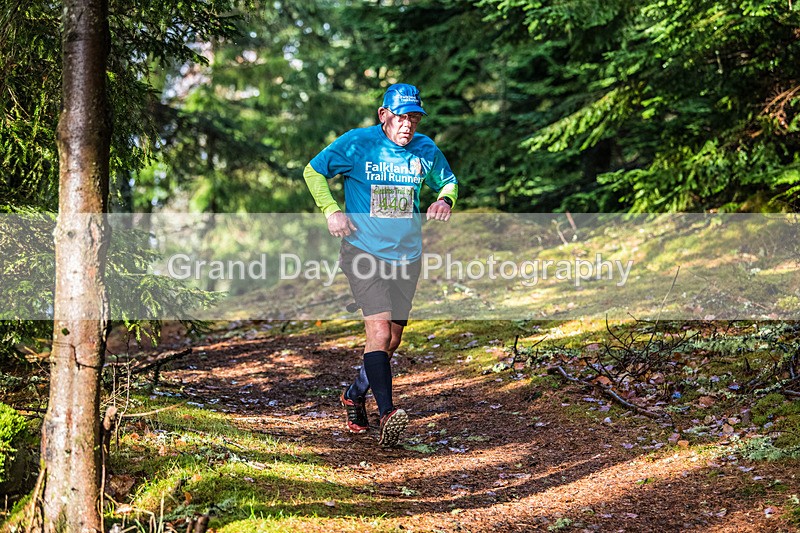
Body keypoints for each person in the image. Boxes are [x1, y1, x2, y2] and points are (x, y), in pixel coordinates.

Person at [303, 83, 458, 447]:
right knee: (379, 333)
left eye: (414, 118)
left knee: (393, 340)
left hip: (408, 256)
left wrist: (444, 201)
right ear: (383, 115)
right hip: (363, 252)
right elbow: (314, 171)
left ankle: (354, 393)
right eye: (402, 117)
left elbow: (447, 182)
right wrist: (332, 210)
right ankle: (388, 413)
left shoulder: (425, 149)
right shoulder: (358, 143)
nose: (408, 125)